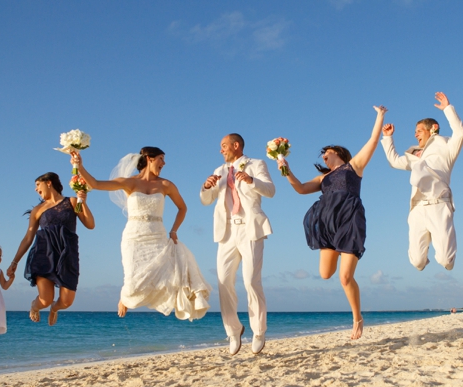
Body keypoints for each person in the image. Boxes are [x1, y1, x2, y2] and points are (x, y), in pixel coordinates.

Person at [280, 106, 386, 340]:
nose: (323, 156)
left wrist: (380, 116)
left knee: (344, 277)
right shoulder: (323, 178)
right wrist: (286, 170)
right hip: (327, 225)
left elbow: (373, 140)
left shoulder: (353, 166)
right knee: (326, 274)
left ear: (336, 152)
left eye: (325, 153)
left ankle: (357, 318)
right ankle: (338, 250)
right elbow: (299, 189)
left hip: (349, 221)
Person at [71, 146, 210, 321]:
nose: (164, 163)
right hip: (134, 236)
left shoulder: (166, 184)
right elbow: (96, 184)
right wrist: (80, 166)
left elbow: (182, 208)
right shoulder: (130, 182)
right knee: (132, 277)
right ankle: (126, 297)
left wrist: (174, 230)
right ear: (150, 159)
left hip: (157, 235)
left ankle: (170, 304)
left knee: (167, 275)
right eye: (161, 158)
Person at [200, 132, 276, 354]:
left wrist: (252, 181)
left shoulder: (256, 164)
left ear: (236, 145)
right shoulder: (219, 171)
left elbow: (270, 191)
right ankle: (233, 331)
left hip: (250, 227)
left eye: (224, 145)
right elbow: (206, 200)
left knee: (251, 281)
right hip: (226, 231)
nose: (221, 150)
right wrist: (206, 187)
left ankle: (258, 330)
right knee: (223, 281)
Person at [381, 89, 463, 272]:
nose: (415, 135)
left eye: (419, 131)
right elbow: (395, 161)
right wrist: (388, 138)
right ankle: (422, 261)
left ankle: (448, 260)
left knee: (445, 259)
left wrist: (447, 109)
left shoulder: (446, 146)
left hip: (439, 205)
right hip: (418, 208)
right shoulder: (414, 154)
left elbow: (460, 132)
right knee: (417, 262)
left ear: (433, 129)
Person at [6, 172, 94, 324]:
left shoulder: (72, 202)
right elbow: (28, 238)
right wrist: (14, 262)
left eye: (37, 185)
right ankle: (35, 305)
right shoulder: (37, 210)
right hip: (44, 254)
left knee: (66, 301)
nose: (35, 189)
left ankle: (54, 308)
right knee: (45, 300)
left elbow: (90, 224)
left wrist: (82, 201)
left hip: (67, 255)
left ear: (48, 182)